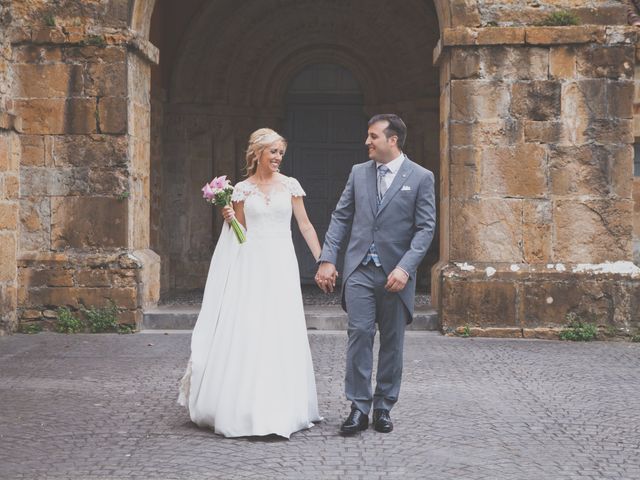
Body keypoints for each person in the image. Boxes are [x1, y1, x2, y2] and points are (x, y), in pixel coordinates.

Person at [178, 128, 322, 439]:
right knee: (251, 326)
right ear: (257, 154)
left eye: (280, 152)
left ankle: (285, 403)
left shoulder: (291, 186)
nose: (277, 158)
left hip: (281, 265)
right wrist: (229, 217)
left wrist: (322, 260)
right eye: (272, 152)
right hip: (252, 265)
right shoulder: (242, 189)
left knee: (281, 327)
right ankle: (244, 405)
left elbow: (305, 225)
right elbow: (240, 233)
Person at [315, 114, 436, 435]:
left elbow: (425, 229)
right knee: (359, 337)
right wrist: (327, 258)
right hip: (359, 272)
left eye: (373, 136)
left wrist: (405, 268)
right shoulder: (358, 174)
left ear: (392, 140)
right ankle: (358, 406)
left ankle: (383, 407)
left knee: (393, 343)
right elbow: (341, 217)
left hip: (396, 276)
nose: (367, 142)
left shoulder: (421, 177)